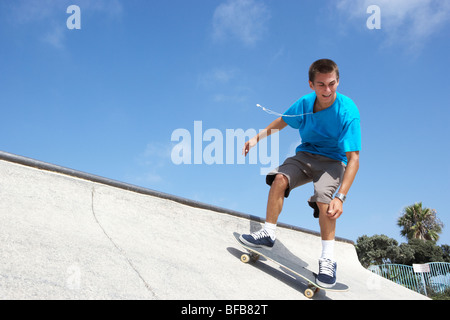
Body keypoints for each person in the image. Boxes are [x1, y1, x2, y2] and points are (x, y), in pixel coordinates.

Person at [240, 59, 361, 288]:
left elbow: (354, 158)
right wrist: (256, 138)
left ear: (338, 81)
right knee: (279, 179)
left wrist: (341, 196)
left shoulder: (348, 112)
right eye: (321, 85)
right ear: (311, 85)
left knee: (325, 200)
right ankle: (268, 233)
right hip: (305, 155)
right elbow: (282, 122)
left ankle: (327, 259)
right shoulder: (304, 103)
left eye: (332, 84)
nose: (327, 90)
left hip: (334, 162)